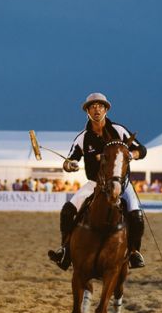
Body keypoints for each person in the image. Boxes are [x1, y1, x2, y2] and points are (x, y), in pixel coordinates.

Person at [48, 92, 147, 270]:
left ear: (106, 110)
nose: (96, 109)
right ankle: (65, 251)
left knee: (136, 214)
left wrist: (131, 155)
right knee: (67, 210)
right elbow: (70, 160)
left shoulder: (118, 130)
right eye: (92, 107)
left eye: (100, 106)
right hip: (95, 183)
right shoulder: (82, 138)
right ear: (87, 111)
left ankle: (134, 253)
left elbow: (142, 149)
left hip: (120, 183)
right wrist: (70, 165)